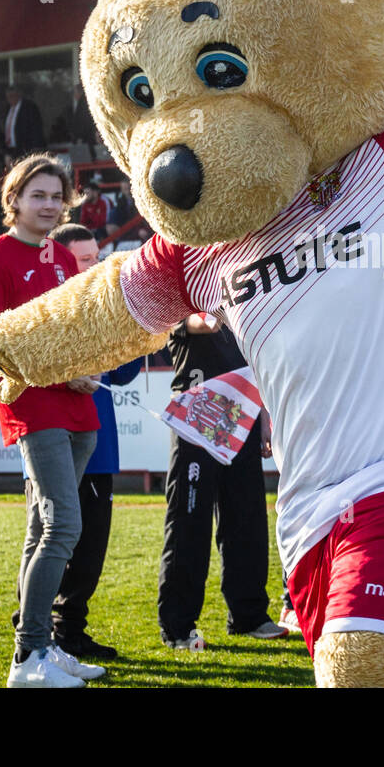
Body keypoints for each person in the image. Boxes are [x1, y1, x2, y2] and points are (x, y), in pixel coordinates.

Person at [0, 153, 105, 687]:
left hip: (79, 410)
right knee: (63, 526)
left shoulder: (66, 260)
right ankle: (28, 659)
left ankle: (41, 646)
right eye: (38, 196)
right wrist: (54, 374)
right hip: (35, 410)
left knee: (41, 528)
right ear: (14, 200)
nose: (49, 206)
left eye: (56, 196)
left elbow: (78, 335)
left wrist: (85, 368)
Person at [43, 224, 143, 659]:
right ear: (60, 264)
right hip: (52, 438)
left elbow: (123, 374)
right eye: (84, 259)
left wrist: (135, 333)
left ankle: (70, 627)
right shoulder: (44, 311)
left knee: (91, 544)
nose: (94, 266)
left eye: (96, 257)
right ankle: (41, 626)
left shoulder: (105, 306)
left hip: (99, 443)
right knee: (51, 537)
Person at [159, 313, 286, 647]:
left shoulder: (238, 308)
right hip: (196, 423)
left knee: (247, 520)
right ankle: (178, 626)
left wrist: (263, 421)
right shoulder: (183, 303)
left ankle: (249, 615)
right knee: (189, 525)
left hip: (239, 420)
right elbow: (208, 322)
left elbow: (254, 367)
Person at [4, 85, 45, 152]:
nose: (9, 99)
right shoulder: (8, 109)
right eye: (7, 97)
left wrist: (36, 145)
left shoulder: (29, 107)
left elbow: (36, 127)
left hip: (27, 147)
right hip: (12, 148)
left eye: (12, 96)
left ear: (18, 95)